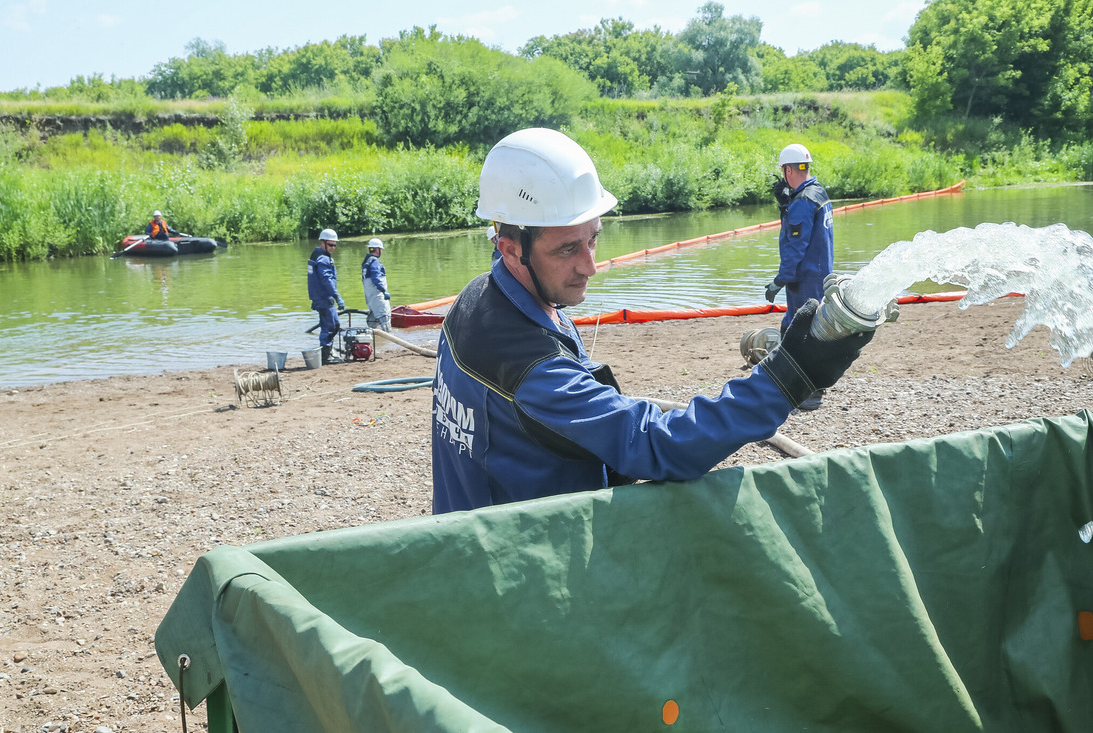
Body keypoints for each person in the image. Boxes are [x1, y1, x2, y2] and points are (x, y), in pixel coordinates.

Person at [430, 128, 872, 514]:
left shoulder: (473, 301)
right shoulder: (531, 366)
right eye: (568, 249)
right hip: (523, 577)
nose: (590, 267)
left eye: (594, 240)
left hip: (473, 542)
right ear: (510, 248)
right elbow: (656, 444)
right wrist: (787, 376)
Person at [766, 143, 834, 410]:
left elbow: (796, 247)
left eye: (784, 170)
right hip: (819, 274)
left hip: (804, 278)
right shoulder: (817, 193)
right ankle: (797, 388)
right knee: (800, 330)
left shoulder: (803, 202)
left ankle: (810, 393)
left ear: (788, 170)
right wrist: (786, 206)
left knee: (801, 334)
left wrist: (779, 280)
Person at [307, 229, 346, 365]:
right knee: (329, 326)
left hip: (321, 297)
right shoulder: (323, 259)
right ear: (322, 243)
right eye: (330, 245)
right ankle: (326, 356)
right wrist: (337, 296)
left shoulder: (318, 255)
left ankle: (328, 350)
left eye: (335, 245)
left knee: (334, 325)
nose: (333, 248)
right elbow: (326, 280)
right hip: (324, 297)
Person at [361, 238, 392, 332]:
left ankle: (372, 340)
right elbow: (376, 278)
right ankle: (389, 341)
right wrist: (384, 291)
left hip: (370, 297)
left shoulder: (366, 262)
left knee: (372, 320)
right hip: (378, 296)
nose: (381, 251)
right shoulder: (374, 262)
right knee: (384, 318)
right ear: (377, 249)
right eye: (380, 249)